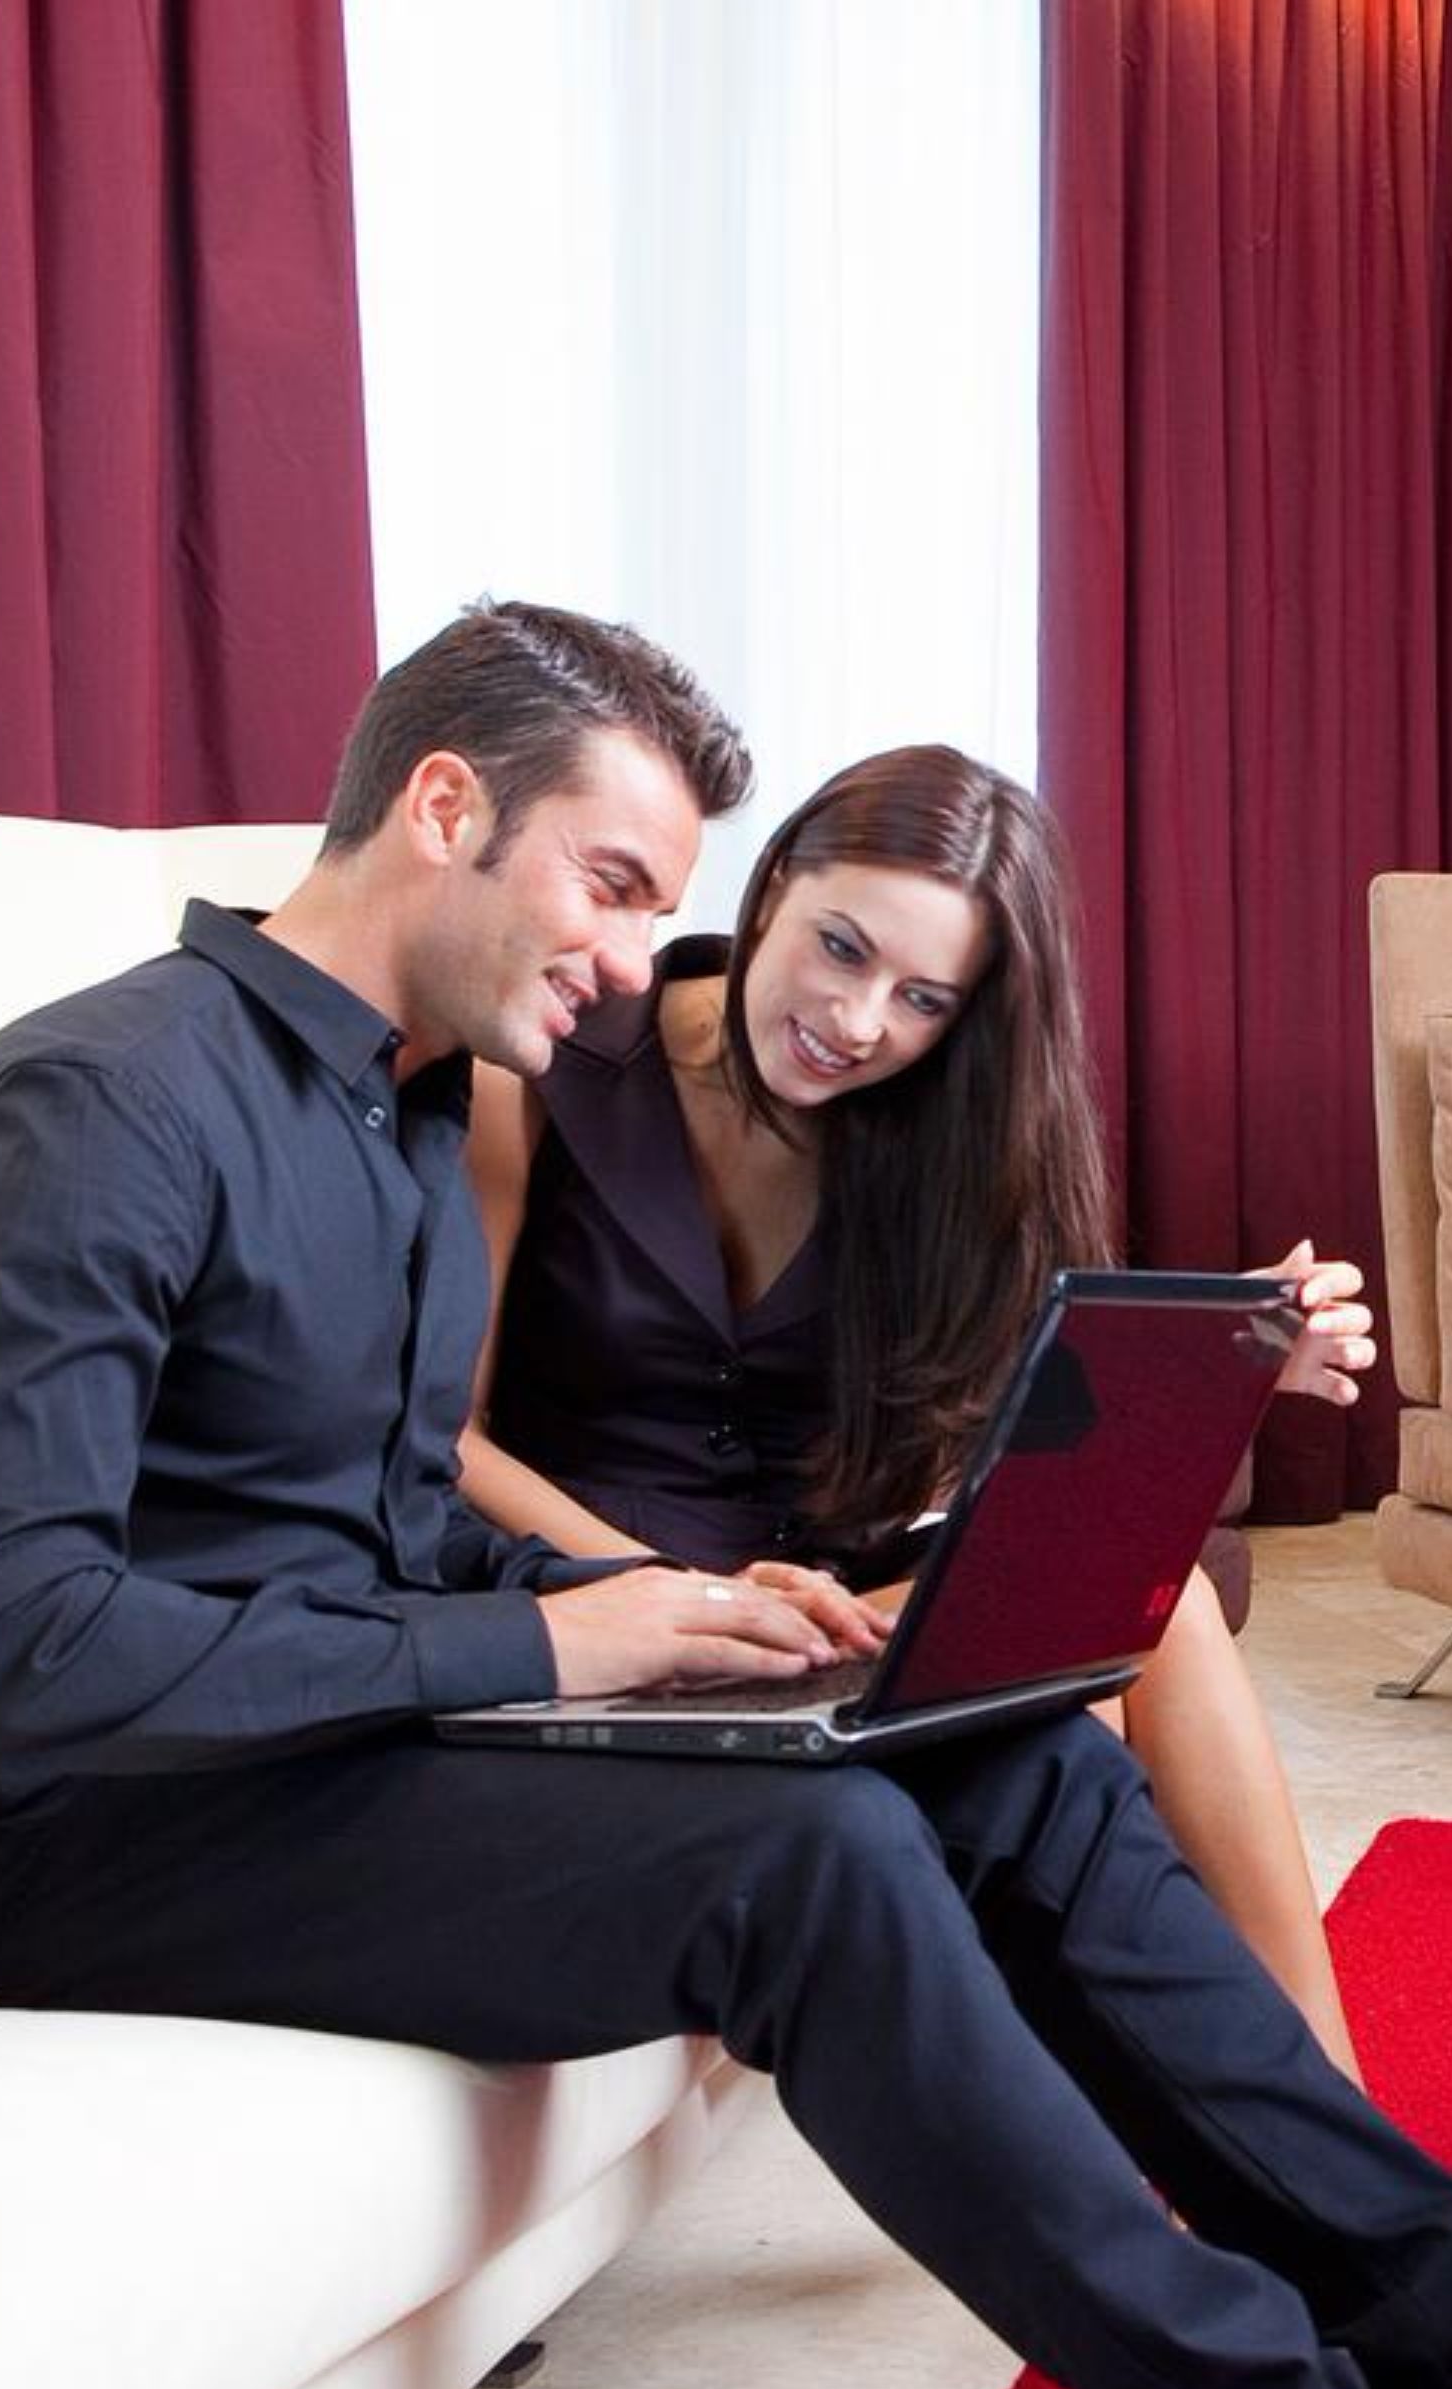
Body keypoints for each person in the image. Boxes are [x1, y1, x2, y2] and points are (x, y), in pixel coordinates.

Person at [0, 599, 1452, 2389]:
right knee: (812, 1860)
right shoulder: (93, 1104)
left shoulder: (399, 1112)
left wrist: (696, 1616)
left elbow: (385, 1511)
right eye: (613, 886)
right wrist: (546, 1631)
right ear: (443, 809)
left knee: (1019, 1762)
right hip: (104, 1837)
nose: (629, 959)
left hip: (348, 1735)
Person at [453, 741, 1366, 2074]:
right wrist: (674, 1600)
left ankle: (1328, 2098)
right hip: (607, 1612)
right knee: (1093, 1675)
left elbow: (986, 1454)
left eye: (924, 997)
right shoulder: (540, 1064)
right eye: (839, 947)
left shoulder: (946, 1125)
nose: (862, 1020)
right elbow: (443, 1435)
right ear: (773, 888)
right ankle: (1131, 2122)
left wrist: (1213, 1360)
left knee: (1128, 1605)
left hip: (834, 1607)